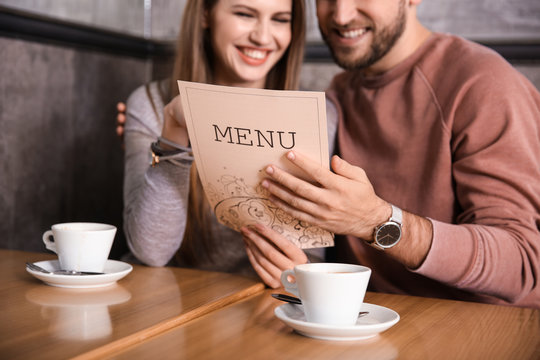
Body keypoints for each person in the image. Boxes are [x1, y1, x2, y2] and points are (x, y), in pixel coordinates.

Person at [247, 0, 540, 307]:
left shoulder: (483, 83)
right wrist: (304, 271)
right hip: (371, 328)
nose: (341, 15)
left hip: (479, 331)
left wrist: (378, 222)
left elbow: (522, 263)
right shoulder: (339, 94)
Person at [123, 0, 336, 285]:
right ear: (205, 15)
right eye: (245, 14)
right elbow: (151, 251)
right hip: (170, 299)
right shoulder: (151, 104)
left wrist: (301, 270)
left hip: (262, 306)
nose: (262, 36)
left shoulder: (317, 116)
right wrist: (173, 130)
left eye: (280, 19)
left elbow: (312, 255)